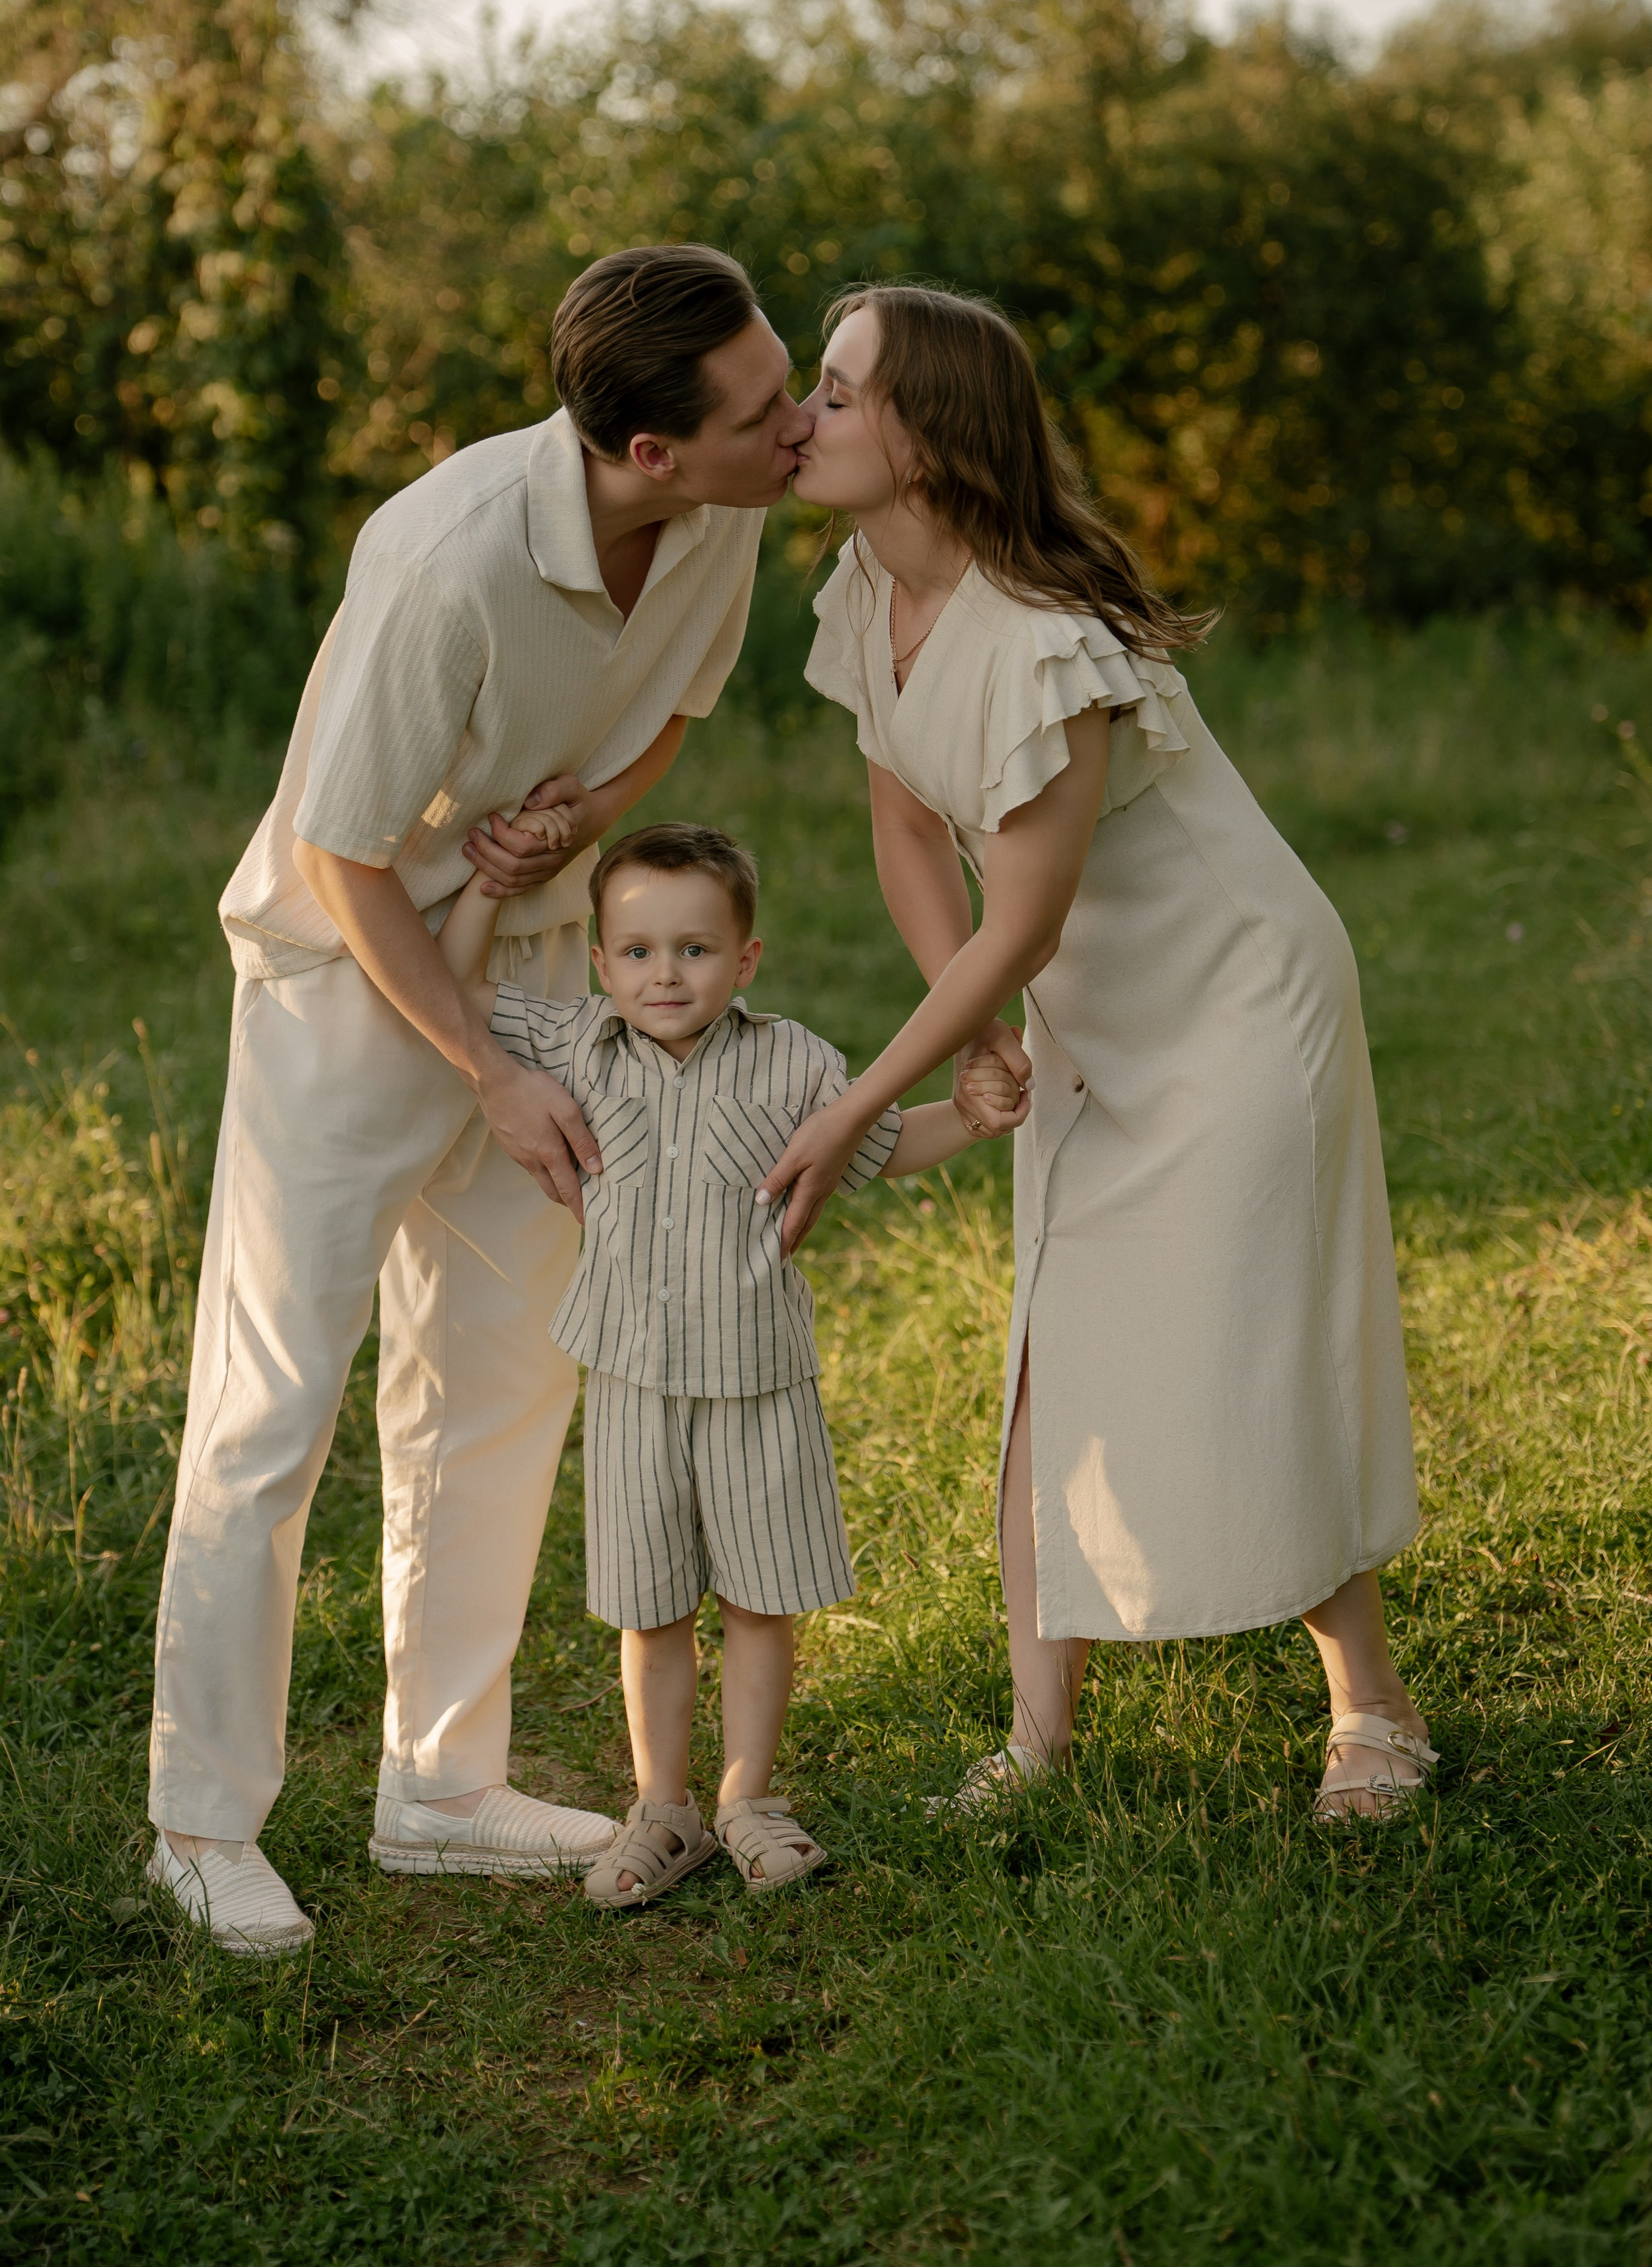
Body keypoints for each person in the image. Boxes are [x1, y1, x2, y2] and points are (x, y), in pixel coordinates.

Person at [146, 246, 814, 1955]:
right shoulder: (447, 562)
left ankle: (440, 1789)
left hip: (530, 962)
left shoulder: (726, 506)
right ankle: (199, 1823)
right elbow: (342, 857)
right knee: (272, 1403)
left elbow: (668, 716)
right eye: (760, 408)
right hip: (344, 984)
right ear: (647, 448)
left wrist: (577, 821)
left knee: (501, 1385)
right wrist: (495, 1074)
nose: (796, 422)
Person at [763, 284, 1435, 1823]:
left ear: (926, 439)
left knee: (1244, 1338)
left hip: (1234, 1006)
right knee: (1048, 1352)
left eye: (842, 392)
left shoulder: (1046, 642)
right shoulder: (866, 592)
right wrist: (985, 1029)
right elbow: (906, 833)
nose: (806, 417)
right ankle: (1035, 1741)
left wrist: (868, 1100)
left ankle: (1371, 1717)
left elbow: (1022, 915)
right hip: (1083, 1004)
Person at [433, 820, 1024, 1904]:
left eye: (697, 950)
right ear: (602, 963)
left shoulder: (793, 1062)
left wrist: (974, 1120)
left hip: (757, 1379)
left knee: (760, 1599)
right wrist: (485, 885)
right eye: (642, 951)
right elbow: (454, 991)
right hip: (629, 1380)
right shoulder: (576, 1043)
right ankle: (663, 1809)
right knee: (650, 1607)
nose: (668, 974)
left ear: (745, 960)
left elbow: (884, 1149)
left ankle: (748, 1798)